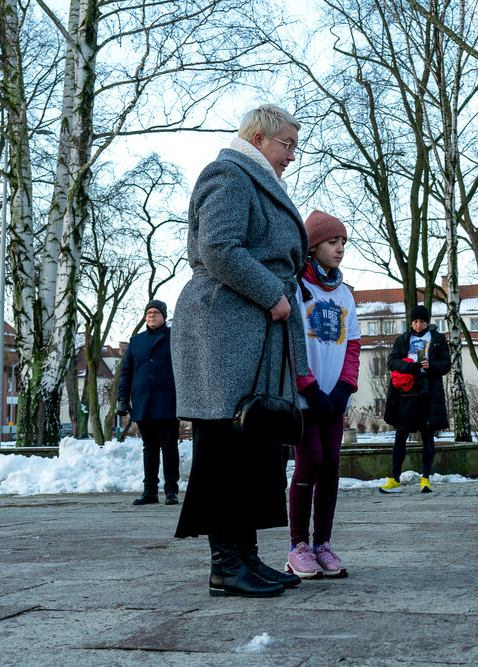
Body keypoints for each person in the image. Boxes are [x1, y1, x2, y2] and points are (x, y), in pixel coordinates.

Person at [171, 103, 308, 598]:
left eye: (296, 145)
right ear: (256, 136)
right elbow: (220, 248)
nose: (293, 155)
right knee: (227, 445)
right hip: (228, 325)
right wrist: (273, 293)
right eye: (286, 144)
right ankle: (226, 565)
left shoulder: (255, 179)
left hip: (253, 328)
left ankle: (246, 556)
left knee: (252, 444)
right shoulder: (228, 174)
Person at [285, 210, 361, 579]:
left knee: (331, 466)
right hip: (305, 398)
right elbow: (292, 343)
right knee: (310, 462)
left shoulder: (345, 294)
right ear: (313, 246)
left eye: (344, 242)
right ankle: (297, 545)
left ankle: (322, 544)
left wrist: (345, 389)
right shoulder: (298, 287)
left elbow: (353, 347)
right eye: (333, 242)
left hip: (334, 398)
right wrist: (309, 388)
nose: (340, 248)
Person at [379, 305, 451, 494]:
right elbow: (391, 362)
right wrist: (409, 366)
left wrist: (431, 365)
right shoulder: (403, 339)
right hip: (405, 393)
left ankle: (425, 479)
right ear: (411, 322)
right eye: (415, 321)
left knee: (428, 438)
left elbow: (446, 365)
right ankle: (395, 479)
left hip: (428, 394)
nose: (418, 325)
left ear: (428, 322)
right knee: (400, 437)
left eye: (422, 321)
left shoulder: (437, 340)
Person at [116, 299, 180, 506]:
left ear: (163, 315)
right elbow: (126, 372)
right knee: (149, 447)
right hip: (143, 400)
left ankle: (172, 491)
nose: (151, 316)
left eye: (155, 312)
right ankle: (150, 491)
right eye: (148, 313)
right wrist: (122, 399)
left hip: (168, 401)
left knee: (169, 446)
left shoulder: (174, 338)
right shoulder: (136, 341)